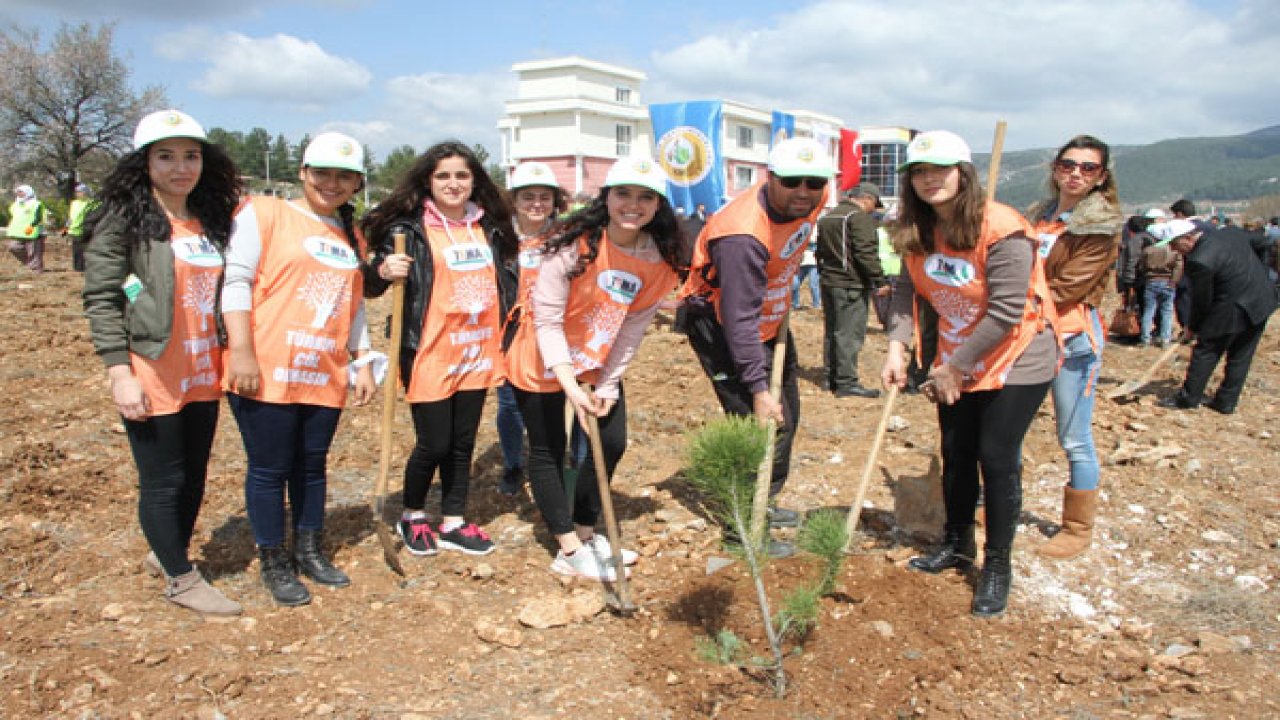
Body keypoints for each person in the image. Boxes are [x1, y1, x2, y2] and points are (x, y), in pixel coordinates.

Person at [881, 130, 1058, 617]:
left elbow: (1005, 312)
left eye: (940, 169)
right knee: (956, 451)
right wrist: (897, 348)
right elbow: (904, 290)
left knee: (995, 455)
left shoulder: (1001, 227)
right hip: (957, 353)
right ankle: (958, 544)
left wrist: (953, 368)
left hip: (1017, 355)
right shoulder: (914, 227)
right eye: (919, 171)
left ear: (964, 172)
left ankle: (998, 565)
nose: (929, 179)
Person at [82, 109, 242, 615]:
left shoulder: (212, 220)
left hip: (202, 367)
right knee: (163, 478)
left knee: (194, 473)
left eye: (190, 156)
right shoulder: (125, 221)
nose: (181, 167)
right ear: (144, 162)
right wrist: (119, 371)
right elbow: (103, 298)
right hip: (152, 366)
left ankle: (168, 551)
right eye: (166, 156)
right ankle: (181, 578)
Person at [503, 155, 680, 580]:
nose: (632, 205)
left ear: (658, 205)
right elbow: (545, 320)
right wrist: (569, 383)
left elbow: (634, 326)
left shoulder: (658, 259)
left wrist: (609, 383)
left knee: (611, 441)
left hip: (596, 360)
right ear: (607, 197)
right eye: (623, 194)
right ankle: (566, 549)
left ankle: (584, 531)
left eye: (645, 197)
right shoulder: (572, 243)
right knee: (547, 449)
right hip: (541, 357)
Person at [222, 132, 378, 606]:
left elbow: (352, 305)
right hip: (267, 365)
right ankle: (274, 558)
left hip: (322, 368)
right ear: (303, 173)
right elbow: (236, 281)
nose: (333, 183)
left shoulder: (350, 234)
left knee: (312, 466)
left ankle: (308, 547)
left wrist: (364, 359)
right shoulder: (264, 213)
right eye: (323, 173)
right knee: (269, 468)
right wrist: (242, 351)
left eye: (345, 176)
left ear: (357, 184)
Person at [678, 137, 832, 558]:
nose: (803, 191)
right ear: (770, 179)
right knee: (756, 423)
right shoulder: (742, 235)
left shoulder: (811, 201)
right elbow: (738, 320)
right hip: (722, 325)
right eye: (792, 182)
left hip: (771, 315)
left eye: (814, 183)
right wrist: (759, 389)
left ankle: (764, 500)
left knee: (788, 417)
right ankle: (742, 528)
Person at [362, 141, 517, 558]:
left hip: (476, 349)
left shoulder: (491, 227)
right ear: (428, 181)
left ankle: (453, 520)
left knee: (463, 440)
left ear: (475, 181)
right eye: (443, 176)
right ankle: (412, 514)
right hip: (429, 349)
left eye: (461, 175)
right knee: (434, 441)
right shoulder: (407, 230)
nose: (453, 183)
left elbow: (511, 276)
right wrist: (382, 270)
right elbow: (369, 283)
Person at [1026, 135, 1123, 560]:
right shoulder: (1040, 215)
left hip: (1071, 336)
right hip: (1027, 332)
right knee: (1005, 428)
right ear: (1055, 168)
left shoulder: (1100, 224)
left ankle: (1077, 528)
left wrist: (1012, 301)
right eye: (1069, 164)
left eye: (1088, 168)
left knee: (1074, 435)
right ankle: (993, 505)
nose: (1076, 174)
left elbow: (1070, 286)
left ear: (1102, 177)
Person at [496, 161, 569, 497]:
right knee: (510, 404)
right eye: (528, 197)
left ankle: (556, 464)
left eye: (544, 196)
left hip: (556, 332)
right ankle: (513, 464)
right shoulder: (499, 238)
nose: (537, 203)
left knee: (558, 402)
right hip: (510, 335)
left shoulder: (568, 238)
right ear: (514, 200)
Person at [1156, 219, 1278, 414]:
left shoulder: (1199, 260)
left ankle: (1188, 399)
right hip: (1261, 301)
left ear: (1188, 238)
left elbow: (1201, 301)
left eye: (1174, 244)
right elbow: (1263, 244)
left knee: (1206, 351)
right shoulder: (1230, 233)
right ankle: (1226, 402)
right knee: (1241, 356)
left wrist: (1192, 327)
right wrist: (1263, 272)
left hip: (1231, 309)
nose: (1174, 250)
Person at [815, 181, 886, 398]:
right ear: (867, 199)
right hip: (850, 284)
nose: (874, 209)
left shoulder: (828, 217)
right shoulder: (858, 218)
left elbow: (820, 251)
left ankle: (830, 377)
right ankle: (846, 382)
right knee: (849, 334)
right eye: (874, 204)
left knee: (832, 331)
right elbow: (865, 252)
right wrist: (879, 280)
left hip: (829, 281)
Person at [1138, 222, 1184, 347]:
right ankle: (1165, 339)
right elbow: (1178, 267)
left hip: (1151, 281)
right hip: (1168, 281)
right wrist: (1174, 281)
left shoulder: (1148, 250)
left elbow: (1141, 267)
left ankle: (1145, 339)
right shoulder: (1174, 251)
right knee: (1167, 311)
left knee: (1149, 310)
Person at [6, 184, 47, 273]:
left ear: (28, 192)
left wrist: (32, 226)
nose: (19, 194)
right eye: (18, 192)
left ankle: (36, 269)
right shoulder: (16, 204)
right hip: (19, 232)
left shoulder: (36, 204)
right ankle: (30, 263)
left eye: (21, 192)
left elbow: (39, 217)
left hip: (35, 232)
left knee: (34, 251)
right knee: (13, 247)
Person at [65, 183, 98, 272]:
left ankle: (84, 268)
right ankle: (77, 268)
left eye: (80, 192)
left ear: (86, 192)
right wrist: (65, 230)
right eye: (77, 192)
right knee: (76, 251)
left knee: (85, 250)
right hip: (74, 231)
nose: (78, 194)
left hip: (85, 230)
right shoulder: (74, 203)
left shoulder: (91, 203)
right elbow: (70, 217)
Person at [791, 230, 821, 310]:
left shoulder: (816, 228)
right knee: (795, 284)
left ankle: (817, 305)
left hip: (813, 262)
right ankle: (795, 304)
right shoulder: (799, 229)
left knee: (813, 285)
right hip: (800, 262)